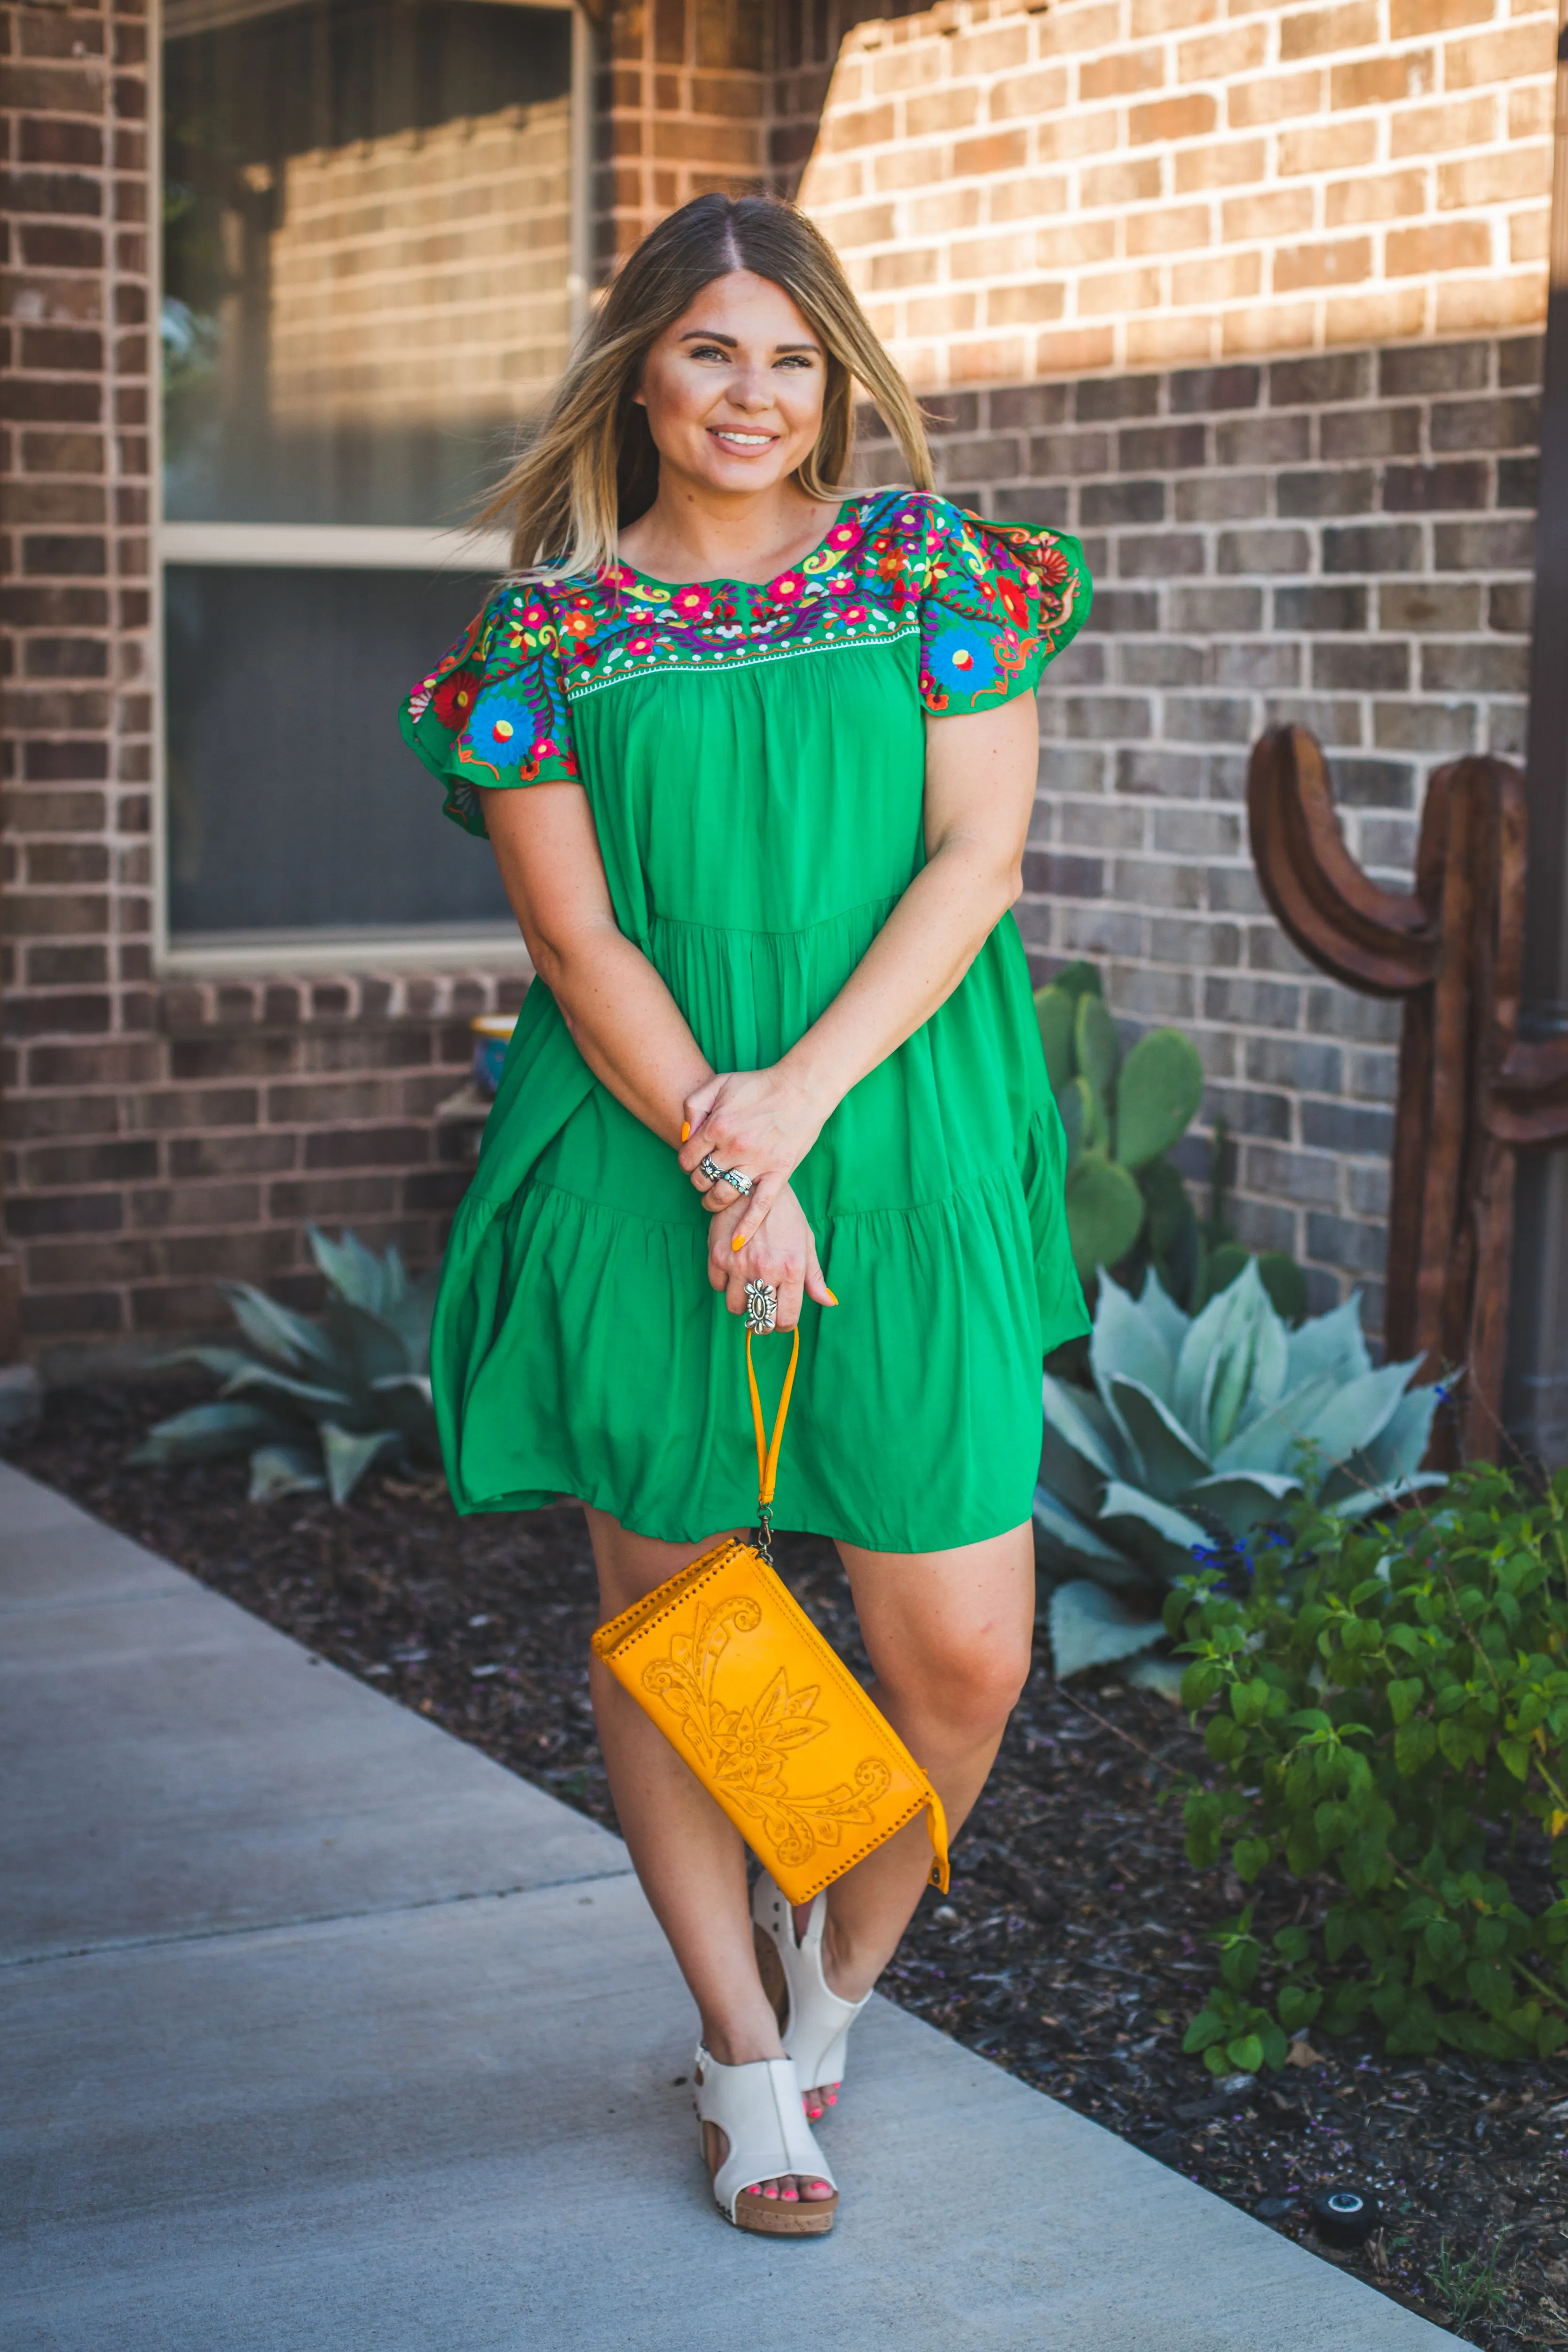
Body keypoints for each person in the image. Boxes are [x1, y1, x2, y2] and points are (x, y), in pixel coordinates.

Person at [400, 192, 1091, 2237]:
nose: (751, 393)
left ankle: (830, 1987)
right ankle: (731, 2052)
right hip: (638, 1144)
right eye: (711, 350)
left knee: (956, 1644)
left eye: (789, 357)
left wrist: (786, 1121)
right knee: (695, 1622)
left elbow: (971, 864)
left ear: (836, 377)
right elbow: (570, 926)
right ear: (639, 366)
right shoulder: (547, 634)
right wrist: (723, 1156)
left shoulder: (936, 576)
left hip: (899, 1129)